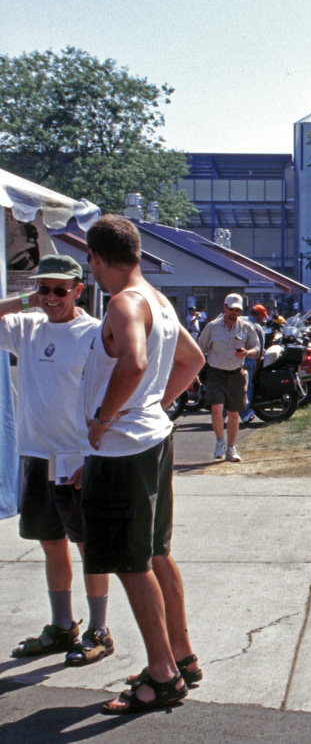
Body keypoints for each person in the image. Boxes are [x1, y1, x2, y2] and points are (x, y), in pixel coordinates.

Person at [78, 214, 206, 714]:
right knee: (155, 554)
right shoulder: (159, 300)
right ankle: (182, 655)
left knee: (131, 563)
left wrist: (103, 419)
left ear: (95, 258)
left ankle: (162, 675)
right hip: (151, 440)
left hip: (122, 450)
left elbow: (131, 364)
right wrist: (155, 405)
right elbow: (192, 362)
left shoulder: (125, 303)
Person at [4, 255, 114, 666]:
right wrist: (24, 300)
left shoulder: (92, 333)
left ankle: (99, 629)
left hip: (76, 456)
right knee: (50, 543)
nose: (50, 298)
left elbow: (112, 393)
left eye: (59, 290)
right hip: (35, 453)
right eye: (43, 289)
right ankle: (62, 624)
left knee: (89, 546)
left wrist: (95, 454)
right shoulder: (27, 327)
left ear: (78, 290)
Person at [196, 294, 260, 462]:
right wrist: (194, 372)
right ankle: (219, 443)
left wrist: (247, 353)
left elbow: (256, 349)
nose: (234, 313)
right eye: (231, 309)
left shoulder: (246, 327)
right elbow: (200, 348)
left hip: (236, 373)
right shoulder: (212, 327)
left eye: (237, 310)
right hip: (215, 372)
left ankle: (231, 448)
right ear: (224, 308)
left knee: (233, 412)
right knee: (217, 409)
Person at [240, 304, 270, 425]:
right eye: (263, 316)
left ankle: (223, 413)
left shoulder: (241, 321)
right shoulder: (257, 327)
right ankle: (245, 413)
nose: (264, 319)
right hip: (249, 359)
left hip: (235, 358)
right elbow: (259, 349)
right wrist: (257, 365)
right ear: (260, 315)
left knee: (233, 387)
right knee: (248, 386)